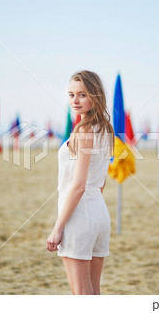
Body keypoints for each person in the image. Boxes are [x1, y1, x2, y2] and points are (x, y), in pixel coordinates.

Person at [46, 70, 114, 295]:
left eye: (82, 94)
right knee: (94, 292)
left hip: (80, 216)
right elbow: (101, 181)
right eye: (71, 94)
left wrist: (57, 228)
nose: (75, 100)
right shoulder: (106, 130)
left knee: (81, 294)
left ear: (95, 96)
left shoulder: (84, 130)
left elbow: (79, 185)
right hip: (99, 214)